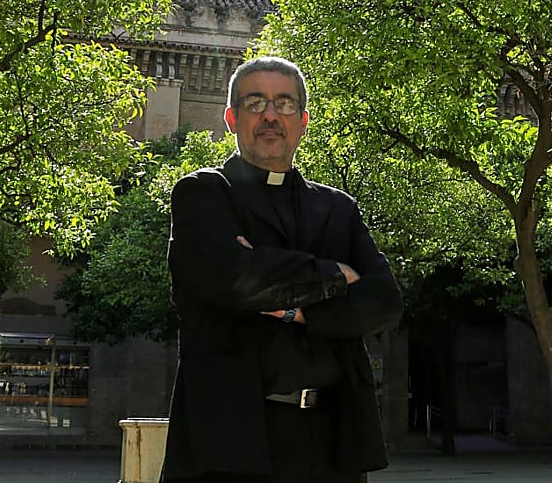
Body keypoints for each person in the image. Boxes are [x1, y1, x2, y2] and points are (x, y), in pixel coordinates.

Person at [161, 56, 403, 482]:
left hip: (332, 447)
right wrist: (336, 276)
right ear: (232, 119)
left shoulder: (337, 209)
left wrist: (293, 307)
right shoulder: (204, 193)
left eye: (285, 104)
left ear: (303, 121)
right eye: (255, 103)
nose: (271, 116)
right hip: (231, 446)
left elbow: (384, 302)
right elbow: (235, 279)